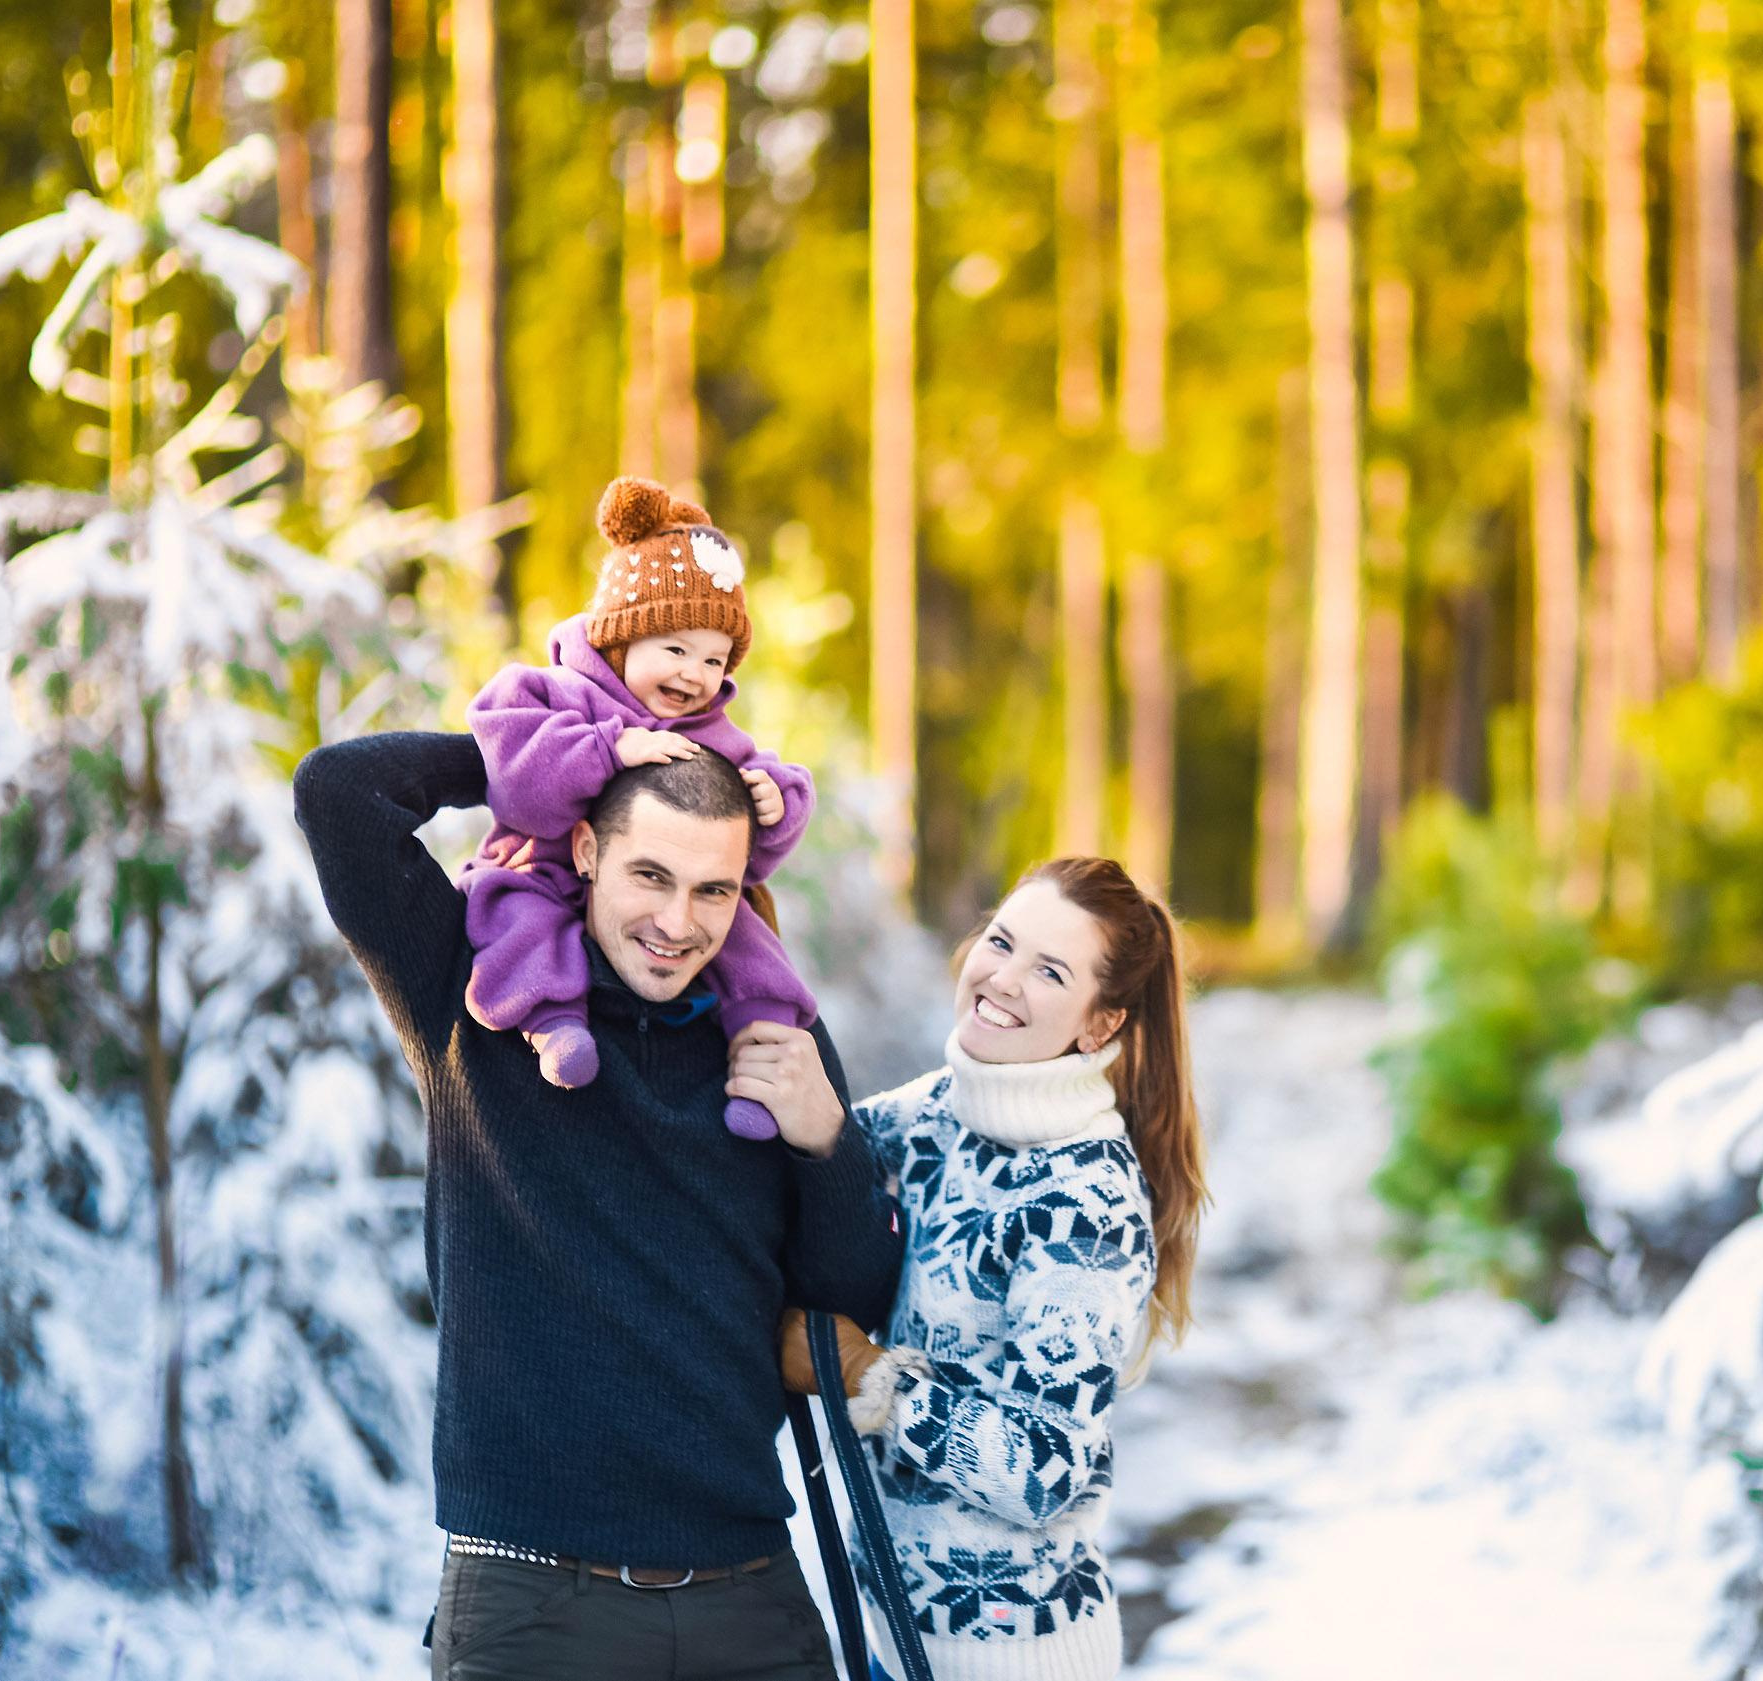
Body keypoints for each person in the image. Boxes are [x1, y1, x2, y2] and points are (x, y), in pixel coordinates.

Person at [293, 727, 901, 1681]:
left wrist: (827, 1139)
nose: (679, 919)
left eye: (714, 889)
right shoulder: (474, 991)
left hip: (749, 1594)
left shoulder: (774, 1039)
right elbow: (339, 791)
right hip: (533, 1606)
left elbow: (847, 1302)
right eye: (650, 875)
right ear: (585, 851)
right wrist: (571, 746)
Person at [784, 858, 1209, 1681]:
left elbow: (1045, 1467)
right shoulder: (945, 1108)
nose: (1003, 978)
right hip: (894, 1638)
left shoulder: (1084, 1202)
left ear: (1099, 1022)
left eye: (1049, 970)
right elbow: (826, 1158)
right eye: (1002, 941)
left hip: (1019, 1659)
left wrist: (866, 1372)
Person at [462, 475, 816, 1127]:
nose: (693, 675)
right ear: (622, 639)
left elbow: (744, 859)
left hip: (649, 893)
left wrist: (776, 802)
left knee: (743, 923)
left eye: (714, 661)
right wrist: (605, 750)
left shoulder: (713, 731)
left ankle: (760, 1048)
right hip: (542, 866)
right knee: (517, 919)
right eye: (675, 649)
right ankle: (552, 1022)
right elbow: (512, 778)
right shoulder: (556, 693)